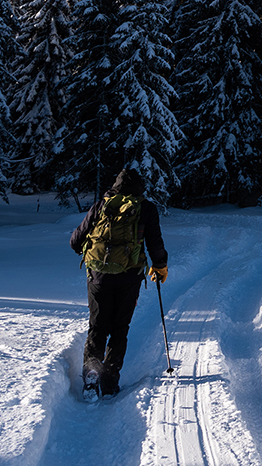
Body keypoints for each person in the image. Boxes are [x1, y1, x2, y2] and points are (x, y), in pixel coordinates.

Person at [69, 168, 168, 395]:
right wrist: (160, 265)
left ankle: (92, 374)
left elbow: (75, 241)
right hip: (129, 279)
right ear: (139, 188)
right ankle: (110, 380)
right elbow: (155, 243)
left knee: (97, 326)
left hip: (98, 277)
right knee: (119, 328)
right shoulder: (146, 208)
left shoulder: (102, 205)